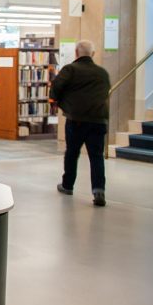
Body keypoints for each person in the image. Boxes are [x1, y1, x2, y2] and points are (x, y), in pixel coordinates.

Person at [50, 39, 111, 206]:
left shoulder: (70, 69)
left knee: (72, 153)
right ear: (93, 54)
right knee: (96, 156)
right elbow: (106, 92)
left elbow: (56, 88)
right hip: (98, 120)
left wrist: (60, 102)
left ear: (76, 53)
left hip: (76, 119)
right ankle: (99, 190)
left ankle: (68, 185)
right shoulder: (102, 73)